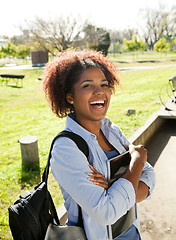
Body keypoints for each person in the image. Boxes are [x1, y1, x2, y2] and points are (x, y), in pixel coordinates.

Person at [42, 50, 155, 240]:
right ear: (70, 97)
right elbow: (106, 213)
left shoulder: (111, 130)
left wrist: (112, 189)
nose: (100, 91)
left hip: (132, 233)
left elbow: (150, 176)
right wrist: (136, 161)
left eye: (104, 84)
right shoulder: (66, 149)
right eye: (87, 85)